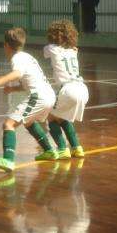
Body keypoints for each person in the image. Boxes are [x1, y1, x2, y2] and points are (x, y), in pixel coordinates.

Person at [0, 28, 58, 172]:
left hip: (39, 96)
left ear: (6, 45)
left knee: (8, 124)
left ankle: (8, 160)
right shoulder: (28, 57)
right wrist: (13, 89)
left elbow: (17, 74)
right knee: (29, 122)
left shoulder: (17, 58)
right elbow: (28, 81)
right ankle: (49, 151)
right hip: (49, 94)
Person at [43, 20, 88, 160]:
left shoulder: (50, 48)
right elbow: (72, 49)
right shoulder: (73, 50)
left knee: (50, 117)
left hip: (68, 89)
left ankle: (62, 149)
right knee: (62, 117)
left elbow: (46, 54)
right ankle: (77, 147)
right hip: (82, 88)